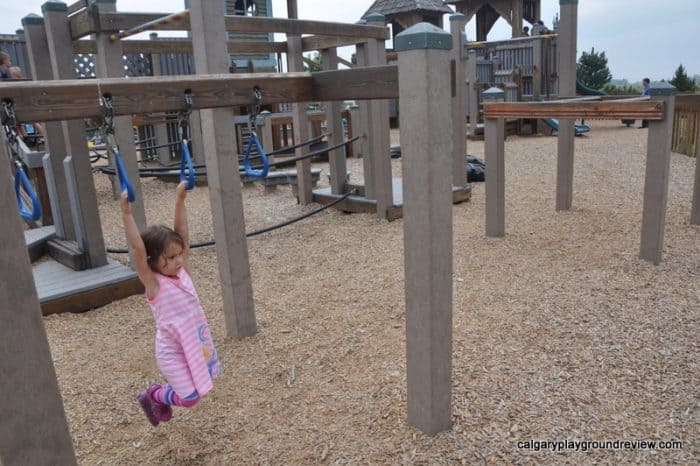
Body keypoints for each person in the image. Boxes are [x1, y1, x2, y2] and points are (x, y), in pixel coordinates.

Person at [120, 181, 221, 426]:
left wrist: (180, 200)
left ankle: (158, 396)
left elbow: (183, 234)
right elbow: (137, 249)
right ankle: (153, 394)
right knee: (189, 398)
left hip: (192, 345)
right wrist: (126, 214)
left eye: (179, 255)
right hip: (172, 352)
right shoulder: (154, 284)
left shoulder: (182, 272)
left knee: (196, 394)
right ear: (153, 261)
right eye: (171, 257)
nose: (178, 260)